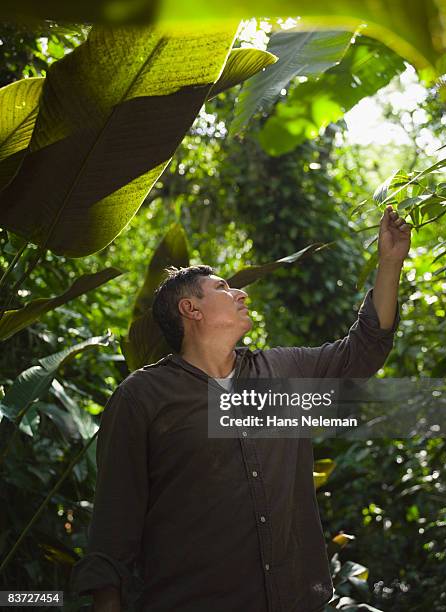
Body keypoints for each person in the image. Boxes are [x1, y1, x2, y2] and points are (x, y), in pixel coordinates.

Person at [71, 205, 411, 611]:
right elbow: (113, 532)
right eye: (223, 288)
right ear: (190, 309)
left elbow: (363, 351)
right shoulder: (141, 396)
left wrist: (390, 263)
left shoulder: (282, 370)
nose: (240, 293)